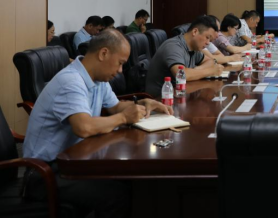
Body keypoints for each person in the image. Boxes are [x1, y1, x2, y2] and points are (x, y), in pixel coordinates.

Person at [22, 29, 172, 218]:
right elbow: (84, 127)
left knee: (132, 181)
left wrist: (142, 104)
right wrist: (124, 118)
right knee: (115, 195)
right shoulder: (71, 81)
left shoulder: (97, 79)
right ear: (103, 53)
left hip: (75, 162)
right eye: (120, 63)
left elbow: (115, 107)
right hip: (44, 173)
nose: (120, 70)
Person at [145, 15, 224, 96]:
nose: (208, 43)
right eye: (207, 37)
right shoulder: (173, 46)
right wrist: (210, 71)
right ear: (195, 32)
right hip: (161, 98)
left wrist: (196, 69)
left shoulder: (194, 48)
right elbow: (182, 75)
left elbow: (210, 61)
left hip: (180, 94)